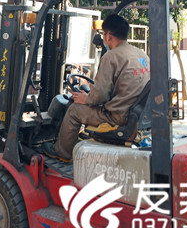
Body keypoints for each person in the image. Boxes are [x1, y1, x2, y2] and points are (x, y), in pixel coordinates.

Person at [43, 14, 150, 162]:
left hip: (117, 117)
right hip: (137, 114)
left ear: (109, 36)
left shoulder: (111, 56)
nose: (103, 38)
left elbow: (99, 96)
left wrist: (86, 98)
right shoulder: (142, 55)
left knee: (74, 110)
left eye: (103, 34)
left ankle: (63, 152)